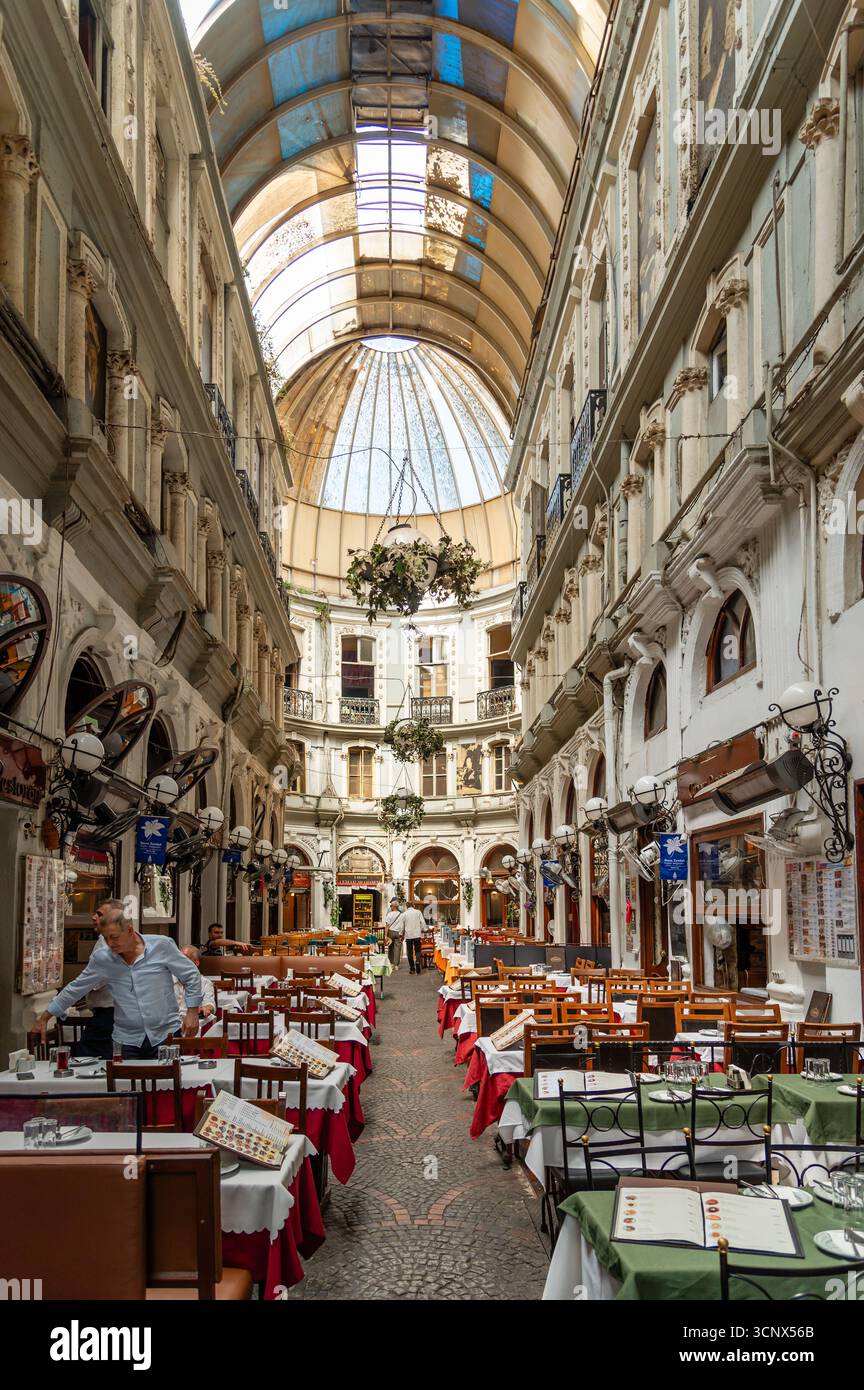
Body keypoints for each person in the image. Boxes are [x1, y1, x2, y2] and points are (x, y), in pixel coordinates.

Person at [32, 899, 202, 1058]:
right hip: (126, 1040)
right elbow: (76, 988)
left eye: (114, 937)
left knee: (166, 1087)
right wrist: (45, 1016)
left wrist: (192, 1012)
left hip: (166, 1035)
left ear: (129, 930)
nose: (110, 943)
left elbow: (191, 975)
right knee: (127, 1086)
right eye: (105, 938)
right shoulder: (103, 959)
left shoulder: (162, 946)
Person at [173, 946, 216, 1019]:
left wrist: (206, 1008)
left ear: (196, 963)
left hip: (192, 1023)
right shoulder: (168, 980)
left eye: (185, 958)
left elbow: (210, 1003)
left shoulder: (204, 982)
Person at [402, 902, 425, 975]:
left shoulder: (404, 914)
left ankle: (412, 969)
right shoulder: (418, 912)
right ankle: (417, 961)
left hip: (408, 935)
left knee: (409, 952)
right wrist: (423, 929)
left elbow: (402, 925)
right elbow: (423, 922)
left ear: (407, 906)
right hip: (417, 934)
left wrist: (401, 934)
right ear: (413, 905)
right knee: (418, 950)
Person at [384, 897, 404, 967]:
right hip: (398, 933)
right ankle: (396, 965)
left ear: (393, 906)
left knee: (391, 948)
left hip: (391, 932)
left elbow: (387, 926)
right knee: (397, 948)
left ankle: (391, 963)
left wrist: (385, 935)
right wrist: (402, 934)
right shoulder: (401, 915)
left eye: (391, 906)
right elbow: (403, 926)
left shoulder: (389, 914)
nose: (390, 907)